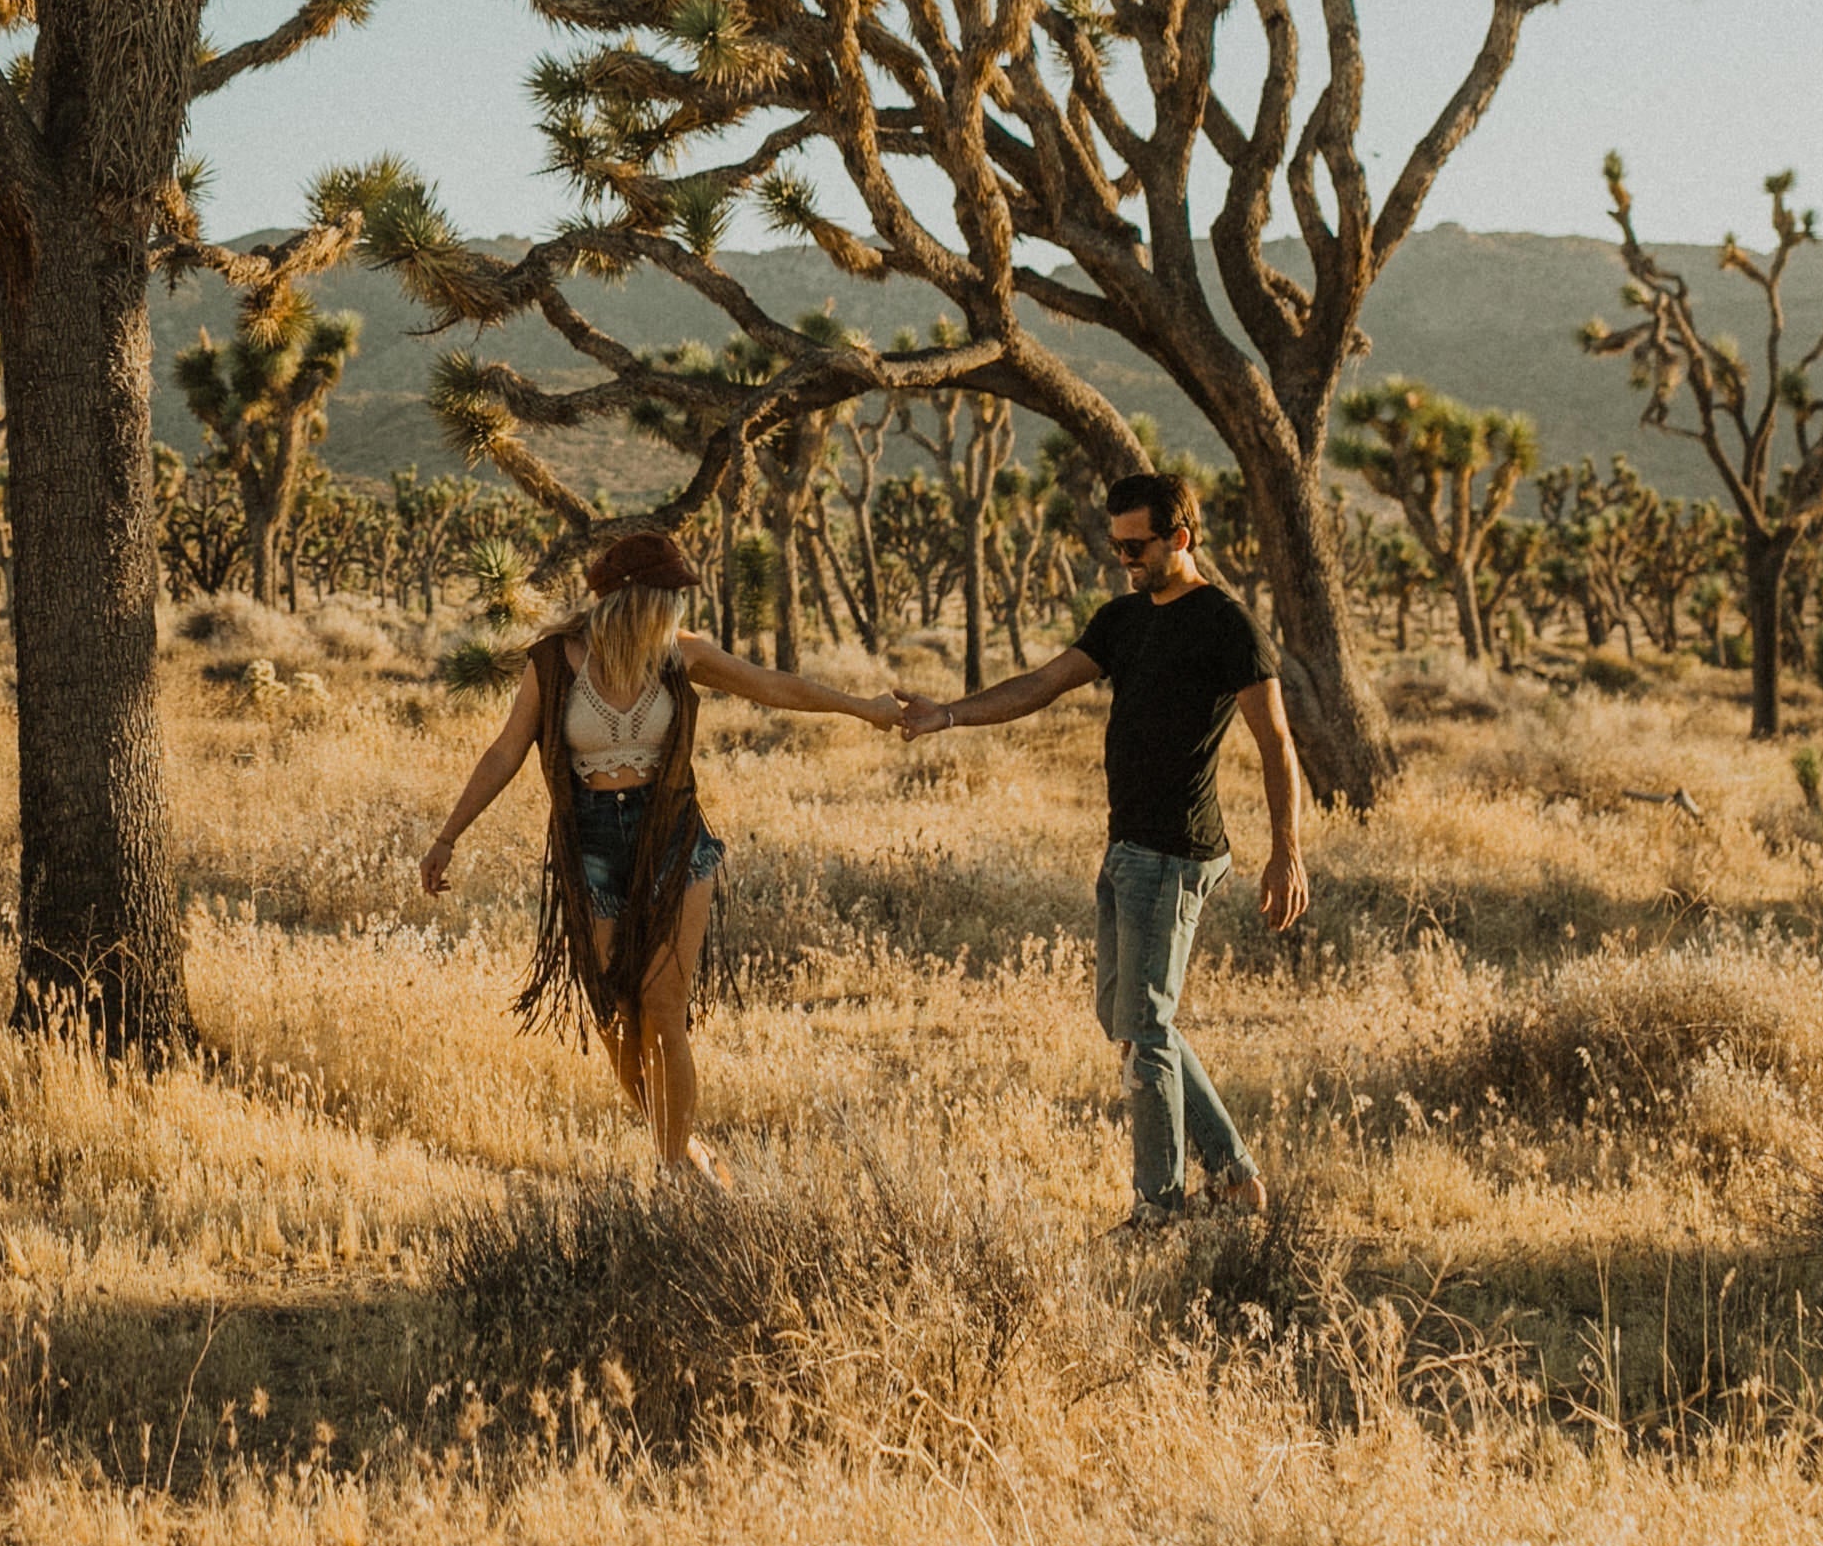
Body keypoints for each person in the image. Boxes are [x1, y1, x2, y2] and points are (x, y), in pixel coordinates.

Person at [421, 529, 912, 1186]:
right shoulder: (553, 660)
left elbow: (773, 686)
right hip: (590, 842)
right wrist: (449, 834)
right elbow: (506, 751)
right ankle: (679, 1138)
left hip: (671, 832)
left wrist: (862, 708)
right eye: (670, 595)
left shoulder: (680, 656)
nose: (678, 608)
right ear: (637, 597)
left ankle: (676, 1168)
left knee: (662, 1004)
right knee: (614, 1014)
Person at [901, 469, 1307, 1227]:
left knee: (1145, 1028)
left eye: (1136, 544)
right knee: (1128, 1020)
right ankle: (1237, 1178)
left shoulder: (1226, 623)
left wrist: (1286, 850)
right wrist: (948, 715)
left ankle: (1160, 1207)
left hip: (1178, 850)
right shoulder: (1123, 620)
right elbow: (1042, 683)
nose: (1123, 557)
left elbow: (1276, 740)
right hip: (1127, 848)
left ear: (1179, 537)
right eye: (1115, 544)